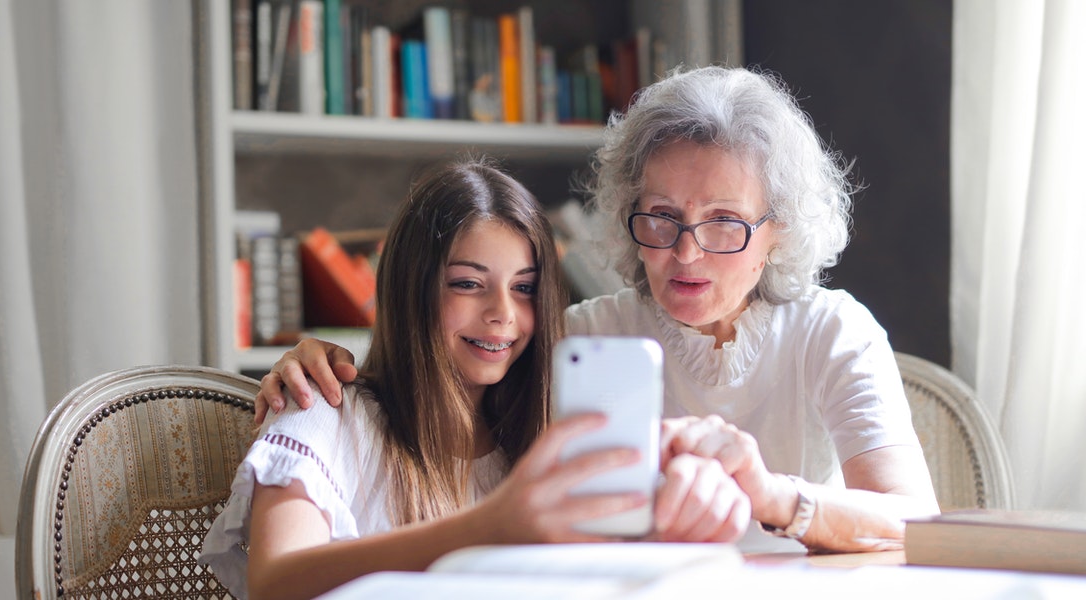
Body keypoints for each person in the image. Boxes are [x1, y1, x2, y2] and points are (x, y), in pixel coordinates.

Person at [255, 66, 941, 555]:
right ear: (626, 213)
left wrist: (771, 496)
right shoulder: (577, 339)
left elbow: (915, 521)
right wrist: (319, 362)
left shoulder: (832, 330)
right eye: (662, 217)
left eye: (725, 223)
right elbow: (440, 389)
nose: (687, 253)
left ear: (779, 230)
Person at [200, 158, 750, 600]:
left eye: (525, 288)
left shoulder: (539, 435)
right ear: (412, 288)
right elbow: (275, 584)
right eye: (468, 283)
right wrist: (491, 526)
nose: (502, 315)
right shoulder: (322, 409)